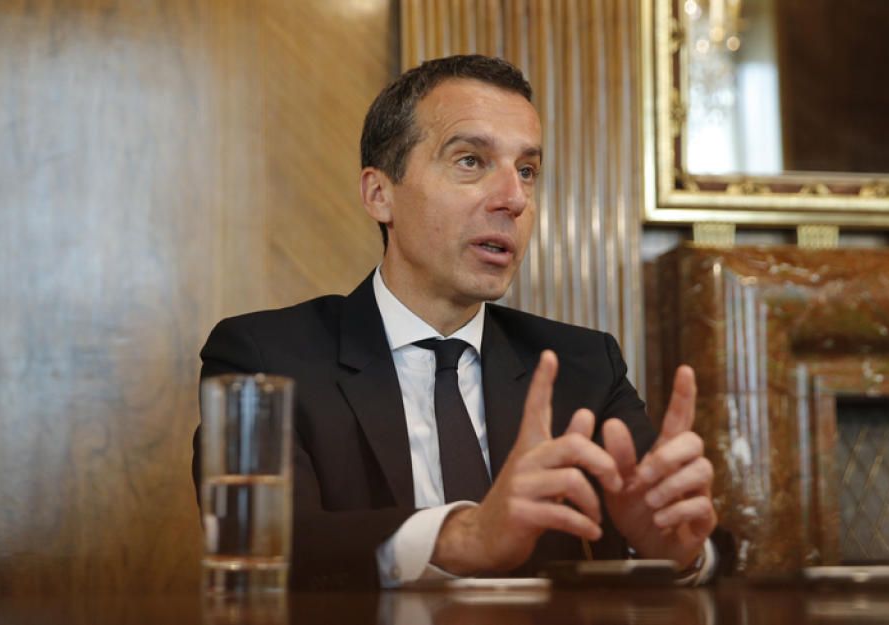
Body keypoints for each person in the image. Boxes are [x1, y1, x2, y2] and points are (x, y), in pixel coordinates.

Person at [196, 54, 716, 590]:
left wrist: (669, 551)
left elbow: (676, 534)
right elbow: (263, 542)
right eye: (470, 161)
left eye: (527, 171)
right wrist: (464, 536)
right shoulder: (267, 357)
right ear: (380, 194)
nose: (514, 199)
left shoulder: (583, 367)